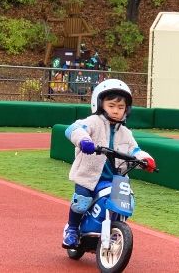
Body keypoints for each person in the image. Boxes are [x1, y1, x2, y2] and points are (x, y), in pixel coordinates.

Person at [61, 79, 156, 248]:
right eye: (111, 106)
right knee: (81, 201)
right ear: (99, 104)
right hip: (89, 177)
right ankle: (72, 229)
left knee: (123, 202)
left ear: (127, 109)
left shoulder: (125, 132)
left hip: (114, 179)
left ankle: (112, 227)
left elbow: (135, 150)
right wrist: (84, 140)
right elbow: (74, 129)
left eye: (121, 108)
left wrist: (146, 159)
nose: (116, 111)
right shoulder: (93, 122)